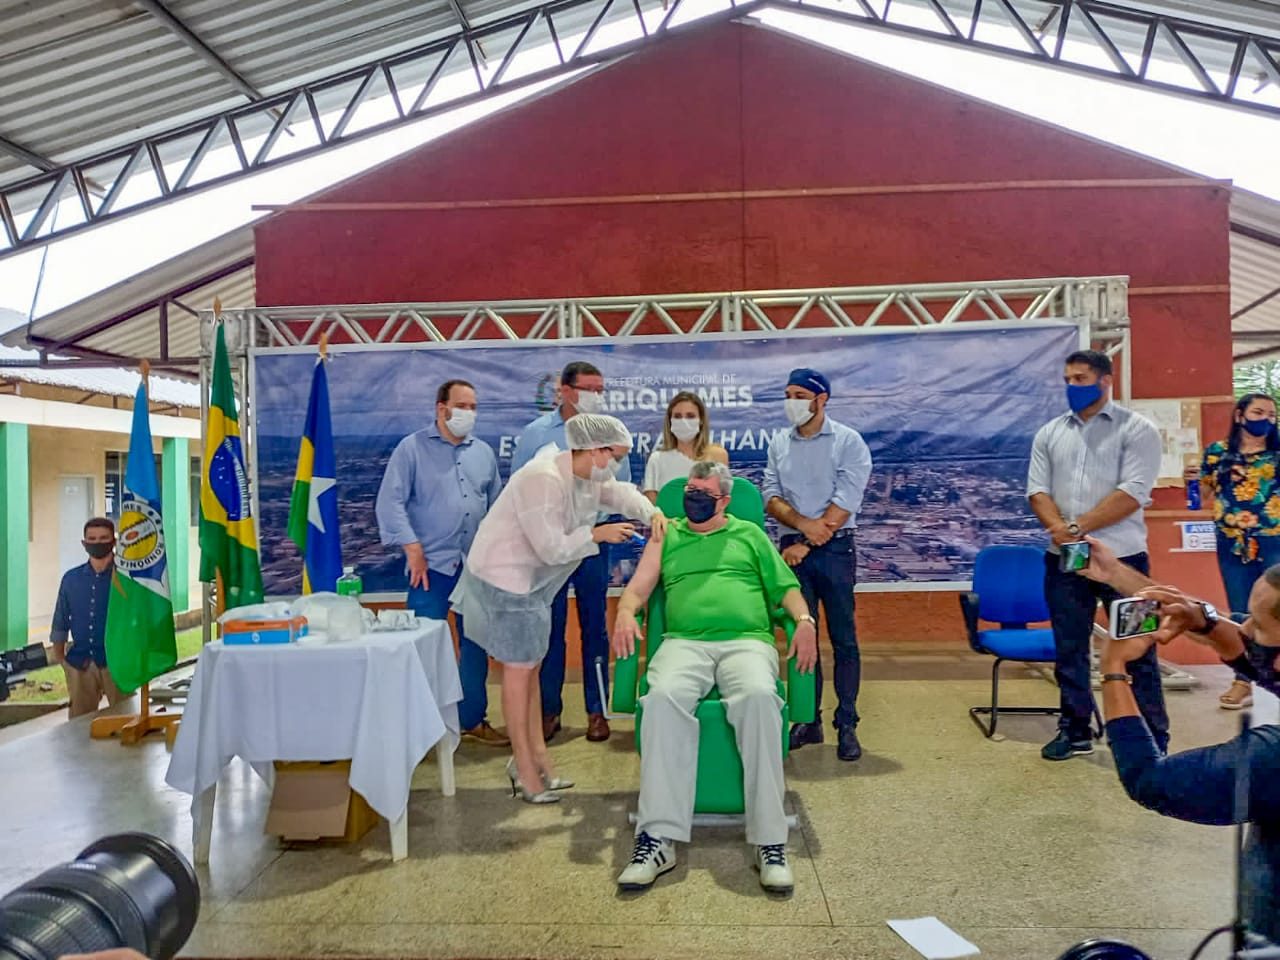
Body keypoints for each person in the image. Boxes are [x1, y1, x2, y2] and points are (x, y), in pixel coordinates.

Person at [611, 461, 818, 894]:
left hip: (746, 641)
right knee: (663, 697)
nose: (693, 497)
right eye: (689, 489)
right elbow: (638, 589)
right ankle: (657, 838)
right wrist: (626, 613)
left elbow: (786, 589)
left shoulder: (750, 535)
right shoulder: (668, 535)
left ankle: (770, 839)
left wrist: (804, 621)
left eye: (703, 492)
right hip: (683, 642)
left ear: (724, 500)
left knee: (760, 697)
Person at [452, 414, 665, 802]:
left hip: (532, 585)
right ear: (596, 450)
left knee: (530, 671)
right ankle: (525, 771)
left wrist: (652, 513)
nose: (616, 464)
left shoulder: (585, 475)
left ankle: (537, 760)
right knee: (518, 676)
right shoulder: (543, 478)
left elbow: (618, 493)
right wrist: (597, 534)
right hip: (506, 580)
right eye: (614, 455)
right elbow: (549, 547)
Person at [1078, 536, 1280, 943]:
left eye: (1256, 623)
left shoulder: (1267, 759)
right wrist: (1198, 615)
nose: (1242, 627)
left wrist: (1114, 668)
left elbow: (1149, 780)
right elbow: (1257, 659)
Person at [1027, 349, 1169, 761]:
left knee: (1138, 647)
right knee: (1069, 647)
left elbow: (1132, 493)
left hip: (1125, 563)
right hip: (1065, 560)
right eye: (1068, 379)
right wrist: (1061, 531)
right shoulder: (1051, 432)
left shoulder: (1137, 430)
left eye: (1081, 378)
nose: (1072, 386)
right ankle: (1075, 730)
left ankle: (1152, 736)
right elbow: (1037, 491)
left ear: (1106, 380)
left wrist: (1075, 527)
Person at [375, 379, 507, 745]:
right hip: (430, 569)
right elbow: (390, 503)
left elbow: (495, 506)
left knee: (475, 645)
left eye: (474, 407)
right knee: (421, 648)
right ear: (441, 408)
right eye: (462, 405)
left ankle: (471, 719)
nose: (469, 413)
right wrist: (412, 548)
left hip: (475, 567)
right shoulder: (411, 449)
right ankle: (421, 727)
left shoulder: (483, 452)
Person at [512, 360, 629, 743]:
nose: (596, 396)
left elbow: (621, 488)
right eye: (588, 388)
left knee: (595, 627)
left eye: (601, 389)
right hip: (549, 549)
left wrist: (595, 525)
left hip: (592, 544)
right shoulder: (535, 435)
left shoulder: (609, 432)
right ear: (564, 390)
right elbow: (519, 490)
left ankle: (598, 711)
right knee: (550, 629)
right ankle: (549, 710)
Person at [761, 367, 872, 762]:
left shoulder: (849, 442)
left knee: (844, 639)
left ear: (820, 399)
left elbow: (846, 501)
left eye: (798, 395)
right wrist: (802, 529)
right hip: (793, 548)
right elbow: (770, 496)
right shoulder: (779, 442)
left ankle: (847, 723)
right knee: (801, 636)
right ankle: (809, 720)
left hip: (835, 550)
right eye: (787, 393)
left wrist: (807, 540)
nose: (790, 402)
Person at [1200, 392, 1280, 710]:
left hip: (1274, 539)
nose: (1266, 419)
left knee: (1276, 610)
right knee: (1240, 611)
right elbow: (1205, 494)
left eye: (1272, 415)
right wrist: (1193, 480)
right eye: (1259, 412)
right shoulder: (1218, 453)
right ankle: (1243, 680)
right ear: (1240, 416)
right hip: (1231, 541)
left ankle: (1274, 678)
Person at [50, 518, 125, 719]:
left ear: (113, 541)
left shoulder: (127, 579)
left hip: (118, 662)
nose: (97, 542)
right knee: (78, 728)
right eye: (92, 538)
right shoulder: (71, 579)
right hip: (80, 664)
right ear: (84, 543)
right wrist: (61, 660)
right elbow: (61, 618)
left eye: (103, 538)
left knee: (125, 721)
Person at [642, 391, 729, 502]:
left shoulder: (718, 456)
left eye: (690, 416)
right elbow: (652, 510)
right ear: (670, 421)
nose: (683, 421)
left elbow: (723, 501)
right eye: (677, 416)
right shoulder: (657, 459)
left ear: (701, 420)